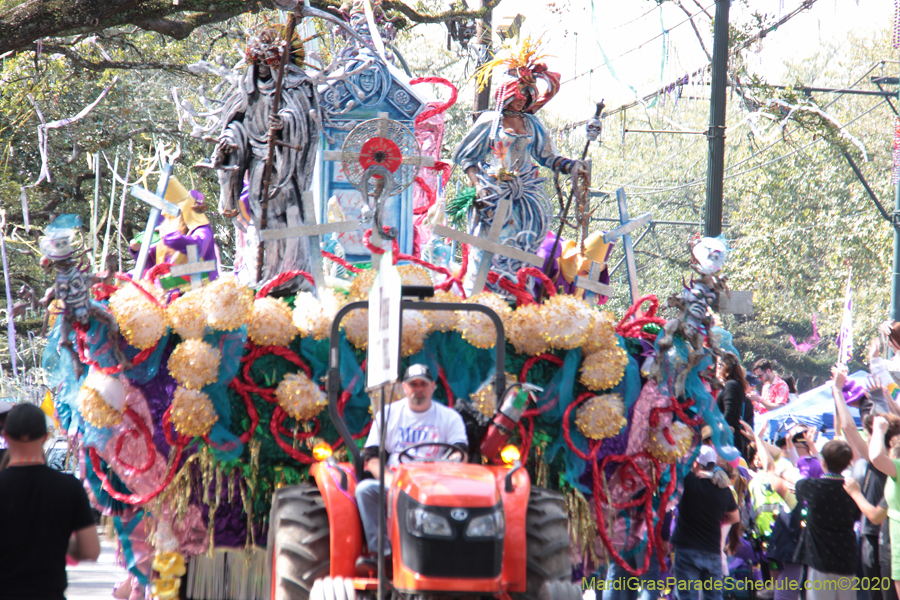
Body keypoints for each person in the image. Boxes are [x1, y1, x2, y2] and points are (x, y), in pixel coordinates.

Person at [452, 39, 586, 296]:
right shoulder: (491, 121)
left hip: (524, 199)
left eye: (527, 93)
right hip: (492, 196)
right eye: (518, 92)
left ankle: (516, 295)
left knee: (523, 249)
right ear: (507, 91)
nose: (521, 98)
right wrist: (479, 185)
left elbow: (548, 157)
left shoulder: (532, 125)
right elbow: (467, 159)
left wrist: (571, 166)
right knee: (488, 248)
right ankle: (482, 295)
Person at [213, 26, 320, 290]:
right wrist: (230, 139)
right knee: (262, 219)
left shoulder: (293, 87)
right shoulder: (247, 93)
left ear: (278, 62)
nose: (261, 66)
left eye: (267, 61)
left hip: (284, 167)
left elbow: (304, 120)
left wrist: (284, 121)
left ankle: (291, 272)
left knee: (289, 215)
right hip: (259, 167)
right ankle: (264, 272)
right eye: (256, 60)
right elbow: (237, 125)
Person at [354, 364, 468, 576]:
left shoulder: (449, 417)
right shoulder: (388, 415)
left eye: (423, 384)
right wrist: (390, 481)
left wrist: (448, 466)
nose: (418, 389)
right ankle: (383, 554)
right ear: (404, 387)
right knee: (365, 490)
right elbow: (371, 459)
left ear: (433, 387)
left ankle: (459, 556)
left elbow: (460, 453)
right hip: (398, 482)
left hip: (437, 485)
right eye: (413, 384)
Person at [0, 403, 100, 600]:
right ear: (46, 437)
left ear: (5, 436)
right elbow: (90, 550)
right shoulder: (69, 487)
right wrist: (63, 542)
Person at [671, 445, 741, 600]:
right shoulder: (723, 488)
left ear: (695, 463)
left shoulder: (687, 481)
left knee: (687, 597)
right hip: (712, 552)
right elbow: (735, 518)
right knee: (714, 597)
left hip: (687, 550)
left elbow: (674, 464)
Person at [793, 440, 860, 600]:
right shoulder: (853, 490)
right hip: (847, 557)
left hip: (819, 560)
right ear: (847, 463)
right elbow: (857, 515)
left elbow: (797, 484)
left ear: (823, 462)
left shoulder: (812, 486)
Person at [717, 353, 749, 457]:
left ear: (725, 367)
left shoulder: (731, 385)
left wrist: (718, 436)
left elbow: (729, 414)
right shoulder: (733, 384)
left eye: (718, 364)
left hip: (728, 441)